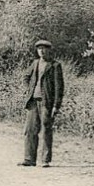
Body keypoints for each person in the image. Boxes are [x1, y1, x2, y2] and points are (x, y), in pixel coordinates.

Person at [19, 39, 64, 168]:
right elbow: (26, 77)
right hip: (33, 102)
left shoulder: (55, 66)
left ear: (49, 50)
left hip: (47, 103)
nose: (42, 51)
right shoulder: (35, 63)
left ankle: (45, 160)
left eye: (44, 49)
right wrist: (29, 89)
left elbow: (59, 88)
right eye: (39, 49)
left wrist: (56, 105)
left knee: (46, 131)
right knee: (29, 130)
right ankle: (29, 159)